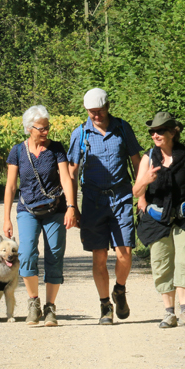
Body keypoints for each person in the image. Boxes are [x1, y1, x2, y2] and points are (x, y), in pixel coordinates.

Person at [132, 112, 185, 328]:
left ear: (172, 132)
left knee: (184, 257)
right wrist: (146, 181)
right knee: (160, 263)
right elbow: (135, 190)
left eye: (160, 131)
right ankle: (169, 313)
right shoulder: (148, 158)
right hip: (157, 218)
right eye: (152, 132)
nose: (155, 135)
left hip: (184, 216)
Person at [67, 88, 143, 325]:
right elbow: (72, 171)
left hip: (121, 197)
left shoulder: (122, 128)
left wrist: (141, 194)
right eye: (92, 112)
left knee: (125, 252)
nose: (96, 116)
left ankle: (119, 290)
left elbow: (137, 161)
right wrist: (72, 206)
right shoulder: (80, 133)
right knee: (98, 256)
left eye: (99, 111)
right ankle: (105, 306)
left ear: (108, 107)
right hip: (92, 201)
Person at [3, 105, 78, 326]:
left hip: (55, 209)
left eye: (47, 127)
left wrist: (72, 206)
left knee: (54, 256)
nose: (45, 132)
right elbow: (10, 187)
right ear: (29, 128)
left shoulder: (56, 149)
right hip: (27, 210)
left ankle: (50, 308)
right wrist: (6, 217)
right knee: (26, 253)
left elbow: (65, 178)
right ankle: (33, 303)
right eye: (41, 128)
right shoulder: (17, 151)